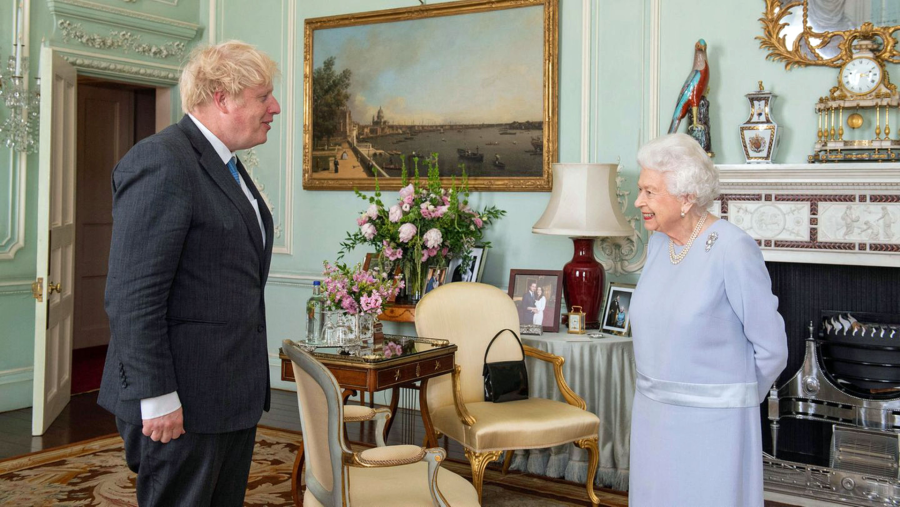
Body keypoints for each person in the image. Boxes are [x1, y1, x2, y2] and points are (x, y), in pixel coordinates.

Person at [98, 41, 280, 507]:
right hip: (180, 401)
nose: (274, 108)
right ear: (223, 97)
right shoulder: (163, 161)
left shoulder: (227, 165)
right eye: (264, 96)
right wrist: (156, 396)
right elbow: (132, 296)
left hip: (226, 395)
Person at [628, 133, 788, 507]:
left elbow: (772, 348)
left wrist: (734, 400)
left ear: (686, 198)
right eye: (641, 190)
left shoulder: (733, 248)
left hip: (715, 427)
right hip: (654, 417)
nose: (639, 202)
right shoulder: (658, 243)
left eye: (649, 192)